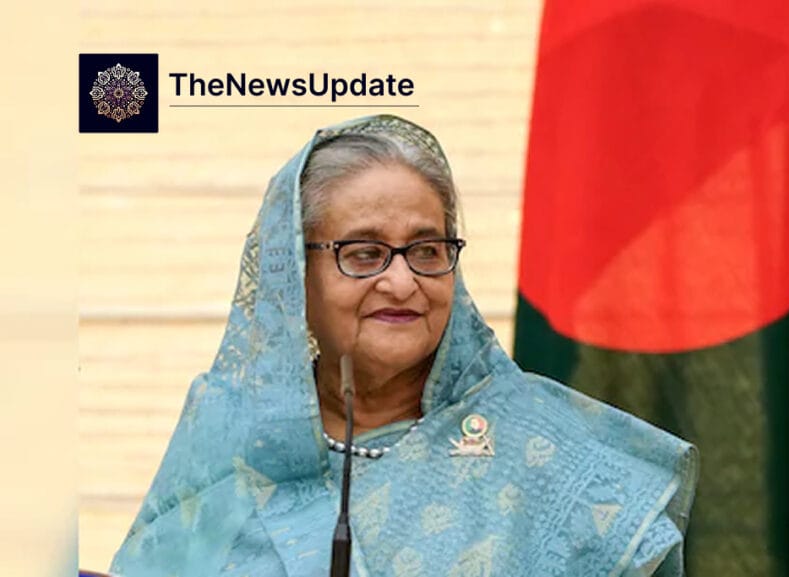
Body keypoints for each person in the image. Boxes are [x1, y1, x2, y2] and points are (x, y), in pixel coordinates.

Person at [110, 115, 698, 576]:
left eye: (426, 250)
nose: (401, 281)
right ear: (295, 277)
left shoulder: (549, 452)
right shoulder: (231, 439)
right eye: (364, 253)